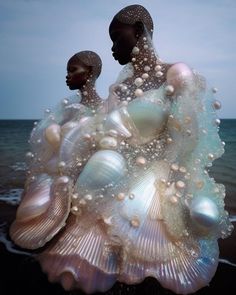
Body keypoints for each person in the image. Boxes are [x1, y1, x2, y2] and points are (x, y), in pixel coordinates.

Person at [11, 6, 233, 295]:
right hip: (116, 173)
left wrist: (174, 186)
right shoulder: (121, 87)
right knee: (83, 238)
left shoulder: (175, 74)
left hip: (157, 177)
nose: (113, 48)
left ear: (139, 31)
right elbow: (104, 132)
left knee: (149, 236)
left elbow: (188, 138)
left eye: (117, 37)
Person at [10, 50, 103, 250]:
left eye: (73, 70)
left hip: (88, 182)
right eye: (67, 71)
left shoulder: (103, 108)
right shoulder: (71, 109)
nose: (67, 76)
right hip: (62, 178)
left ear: (89, 72)